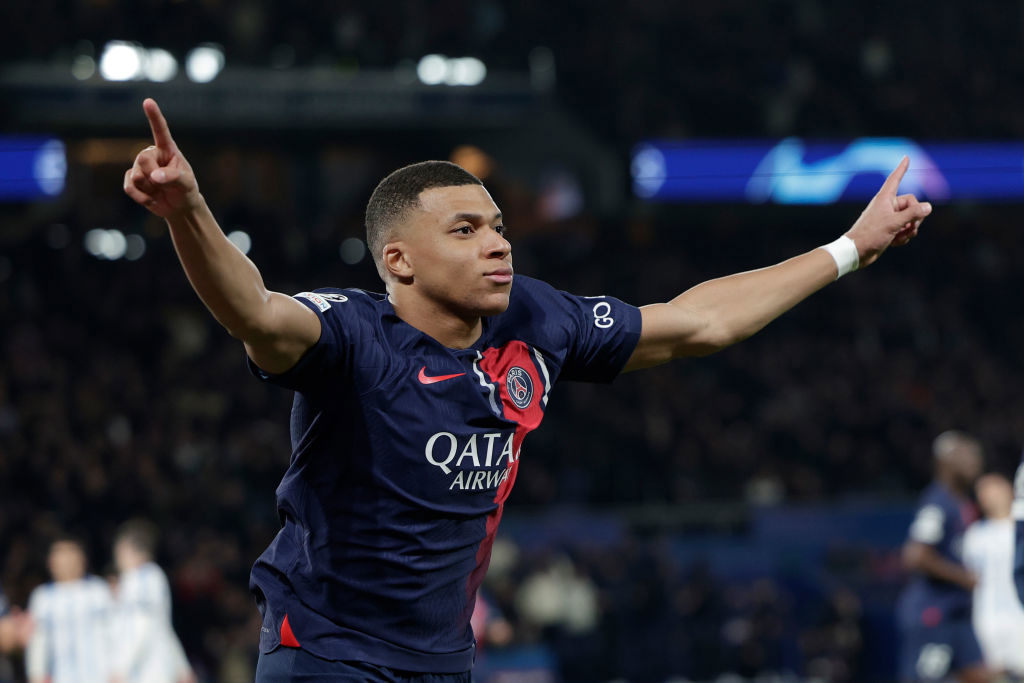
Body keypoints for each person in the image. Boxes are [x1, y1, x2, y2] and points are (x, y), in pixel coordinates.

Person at [123, 98, 931, 681]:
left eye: (500, 226)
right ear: (398, 260)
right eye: (465, 231)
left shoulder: (537, 319)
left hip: (445, 660)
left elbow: (697, 323)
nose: (497, 245)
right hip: (328, 654)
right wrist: (189, 209)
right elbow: (255, 311)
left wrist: (849, 247)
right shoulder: (355, 337)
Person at [897, 431, 989, 683]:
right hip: (934, 613)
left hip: (959, 614)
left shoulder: (962, 502)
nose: (976, 461)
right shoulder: (937, 503)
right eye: (967, 455)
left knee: (980, 675)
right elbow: (915, 555)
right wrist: (965, 578)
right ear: (946, 460)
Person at [110, 519, 196, 683]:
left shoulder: (141, 577)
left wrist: (121, 668)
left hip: (145, 670)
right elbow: (162, 626)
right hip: (156, 667)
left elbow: (141, 624)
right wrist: (183, 666)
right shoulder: (153, 576)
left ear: (126, 550)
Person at [25, 536, 114, 683]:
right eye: (59, 555)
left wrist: (117, 669)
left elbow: (114, 634)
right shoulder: (42, 597)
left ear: (81, 558)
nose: (66, 562)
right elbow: (37, 642)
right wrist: (36, 674)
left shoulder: (98, 591)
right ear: (50, 562)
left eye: (70, 554)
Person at [962, 473, 1024, 677]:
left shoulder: (1019, 529)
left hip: (1019, 615)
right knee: (994, 674)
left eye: (994, 487)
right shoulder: (974, 536)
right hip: (988, 620)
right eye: (982, 491)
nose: (989, 494)